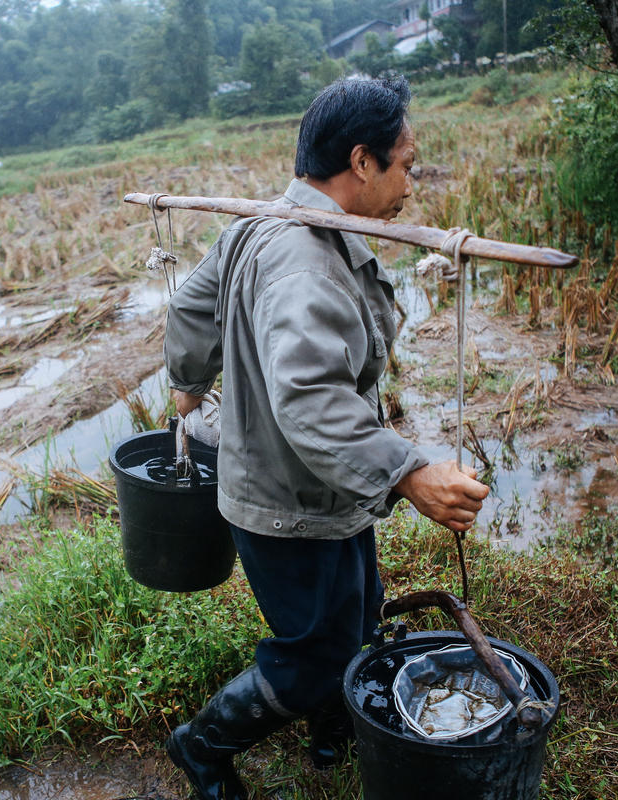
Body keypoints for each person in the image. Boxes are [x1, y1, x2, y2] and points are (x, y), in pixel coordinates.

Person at [162, 76, 490, 800]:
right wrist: (408, 471)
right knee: (312, 651)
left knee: (356, 607)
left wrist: (188, 383)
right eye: (407, 164)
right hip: (288, 501)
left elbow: (191, 304)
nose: (413, 182)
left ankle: (330, 724)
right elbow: (310, 401)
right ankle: (202, 744)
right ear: (363, 161)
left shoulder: (259, 221)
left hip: (321, 485)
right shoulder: (303, 264)